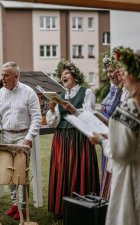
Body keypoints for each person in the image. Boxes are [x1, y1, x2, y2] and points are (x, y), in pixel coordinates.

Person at [90, 47, 140, 225]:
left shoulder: (130, 109)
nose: (121, 75)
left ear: (134, 74)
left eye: (125, 71)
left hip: (131, 176)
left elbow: (121, 152)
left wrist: (102, 139)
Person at [46, 60, 100, 217]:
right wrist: (51, 109)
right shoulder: (60, 96)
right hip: (62, 139)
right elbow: (53, 122)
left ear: (75, 76)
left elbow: (89, 117)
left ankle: (82, 209)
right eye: (61, 74)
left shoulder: (86, 93)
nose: (63, 75)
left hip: (79, 138)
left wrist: (74, 110)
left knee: (79, 171)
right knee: (63, 172)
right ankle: (63, 209)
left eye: (67, 73)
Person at [0, 62, 42, 220]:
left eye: (6, 75)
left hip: (22, 136)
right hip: (5, 136)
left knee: (20, 172)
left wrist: (28, 138)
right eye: (2, 74)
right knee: (8, 172)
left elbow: (37, 118)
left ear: (16, 77)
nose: (3, 78)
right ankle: (14, 204)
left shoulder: (29, 92)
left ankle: (23, 207)